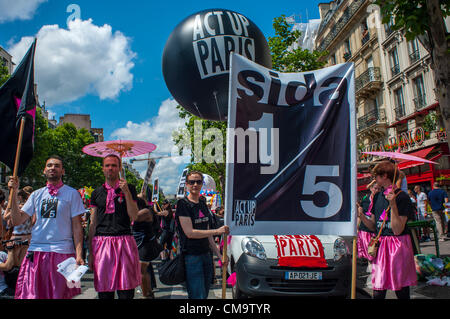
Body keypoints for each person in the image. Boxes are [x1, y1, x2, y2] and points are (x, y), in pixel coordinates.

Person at [8, 155, 85, 299]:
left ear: (63, 171)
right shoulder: (36, 194)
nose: (52, 168)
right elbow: (17, 220)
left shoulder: (72, 193)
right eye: (49, 165)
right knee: (33, 295)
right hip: (36, 252)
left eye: (57, 166)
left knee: (61, 295)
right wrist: (13, 194)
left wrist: (79, 254)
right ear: (44, 170)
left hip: (63, 252)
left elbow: (77, 227)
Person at [359, 161, 417, 299]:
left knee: (401, 289)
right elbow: (373, 226)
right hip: (381, 245)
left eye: (376, 177)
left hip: (397, 245)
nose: (374, 180)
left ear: (384, 176)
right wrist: (361, 215)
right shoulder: (378, 196)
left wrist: (393, 205)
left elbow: (397, 230)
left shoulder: (401, 197)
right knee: (378, 290)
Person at [88, 154, 141, 299]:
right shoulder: (96, 193)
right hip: (102, 242)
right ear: (103, 169)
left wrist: (127, 194)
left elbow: (134, 216)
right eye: (107, 165)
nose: (110, 168)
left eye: (114, 165)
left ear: (119, 168)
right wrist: (90, 253)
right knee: (105, 293)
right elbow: (92, 224)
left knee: (126, 292)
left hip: (124, 241)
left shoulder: (129, 188)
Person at [175, 171, 229, 299]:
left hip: (206, 255)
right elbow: (190, 233)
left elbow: (208, 235)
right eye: (192, 182)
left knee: (204, 294)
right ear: (187, 184)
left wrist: (220, 255)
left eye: (198, 182)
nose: (195, 184)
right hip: (192, 257)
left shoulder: (203, 204)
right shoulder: (183, 204)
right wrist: (217, 231)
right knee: (197, 295)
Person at [132, 193, 157, 299]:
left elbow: (133, 218)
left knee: (141, 270)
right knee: (142, 270)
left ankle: (147, 294)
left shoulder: (146, 211)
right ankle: (148, 292)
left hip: (146, 245)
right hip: (140, 244)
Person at [356, 180, 380, 262]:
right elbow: (360, 214)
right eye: (375, 188)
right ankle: (370, 267)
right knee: (368, 252)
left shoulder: (381, 200)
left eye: (378, 189)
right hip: (364, 230)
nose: (376, 190)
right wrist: (357, 227)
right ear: (371, 188)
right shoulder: (365, 199)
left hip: (375, 230)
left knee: (376, 253)